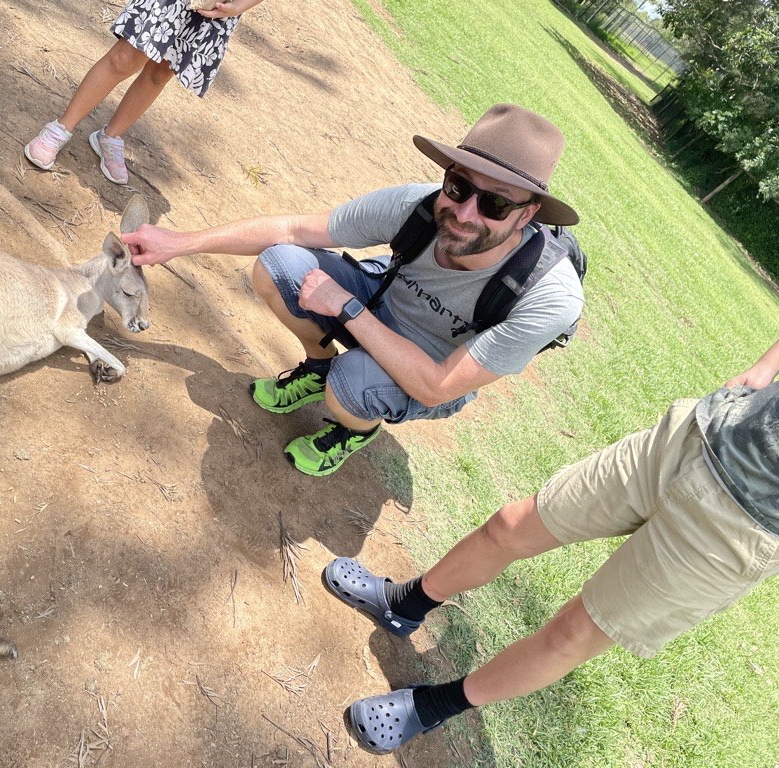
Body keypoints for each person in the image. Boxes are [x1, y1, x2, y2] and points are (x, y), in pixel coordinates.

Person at [321, 338, 779, 754]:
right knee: (509, 526)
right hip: (701, 435)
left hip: (743, 528)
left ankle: (435, 706)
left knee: (572, 633)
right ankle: (404, 604)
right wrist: (763, 368)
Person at [123, 104, 584, 476]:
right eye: (459, 185)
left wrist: (345, 308)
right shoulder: (417, 206)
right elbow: (294, 228)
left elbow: (435, 386)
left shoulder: (547, 295)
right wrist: (180, 243)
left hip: (435, 362)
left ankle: (354, 429)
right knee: (279, 264)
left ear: (528, 215)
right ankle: (319, 367)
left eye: (497, 203)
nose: (465, 213)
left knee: (353, 386)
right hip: (383, 303)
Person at [24, 0, 265, 184]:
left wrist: (240, 5)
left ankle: (110, 136)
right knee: (125, 57)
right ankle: (61, 128)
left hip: (219, 7)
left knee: (162, 71)